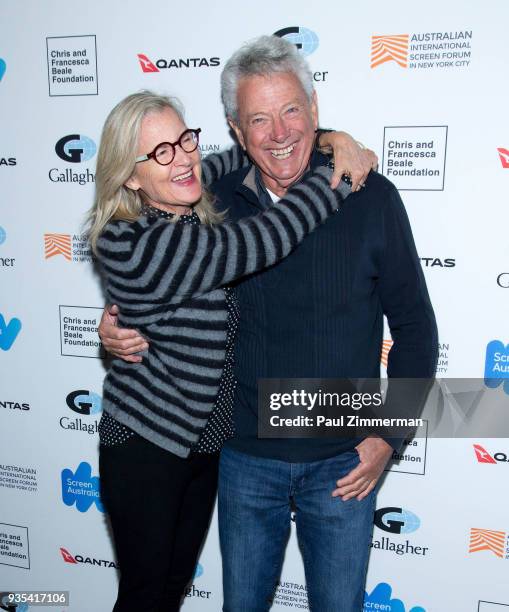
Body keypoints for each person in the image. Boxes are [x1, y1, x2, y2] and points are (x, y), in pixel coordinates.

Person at [99, 36, 438, 612]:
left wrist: (389, 436)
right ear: (235, 129)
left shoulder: (374, 198)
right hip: (240, 460)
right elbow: (165, 245)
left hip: (343, 461)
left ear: (314, 108)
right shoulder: (211, 201)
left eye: (291, 111)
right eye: (259, 118)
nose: (279, 133)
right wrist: (114, 325)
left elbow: (416, 330)